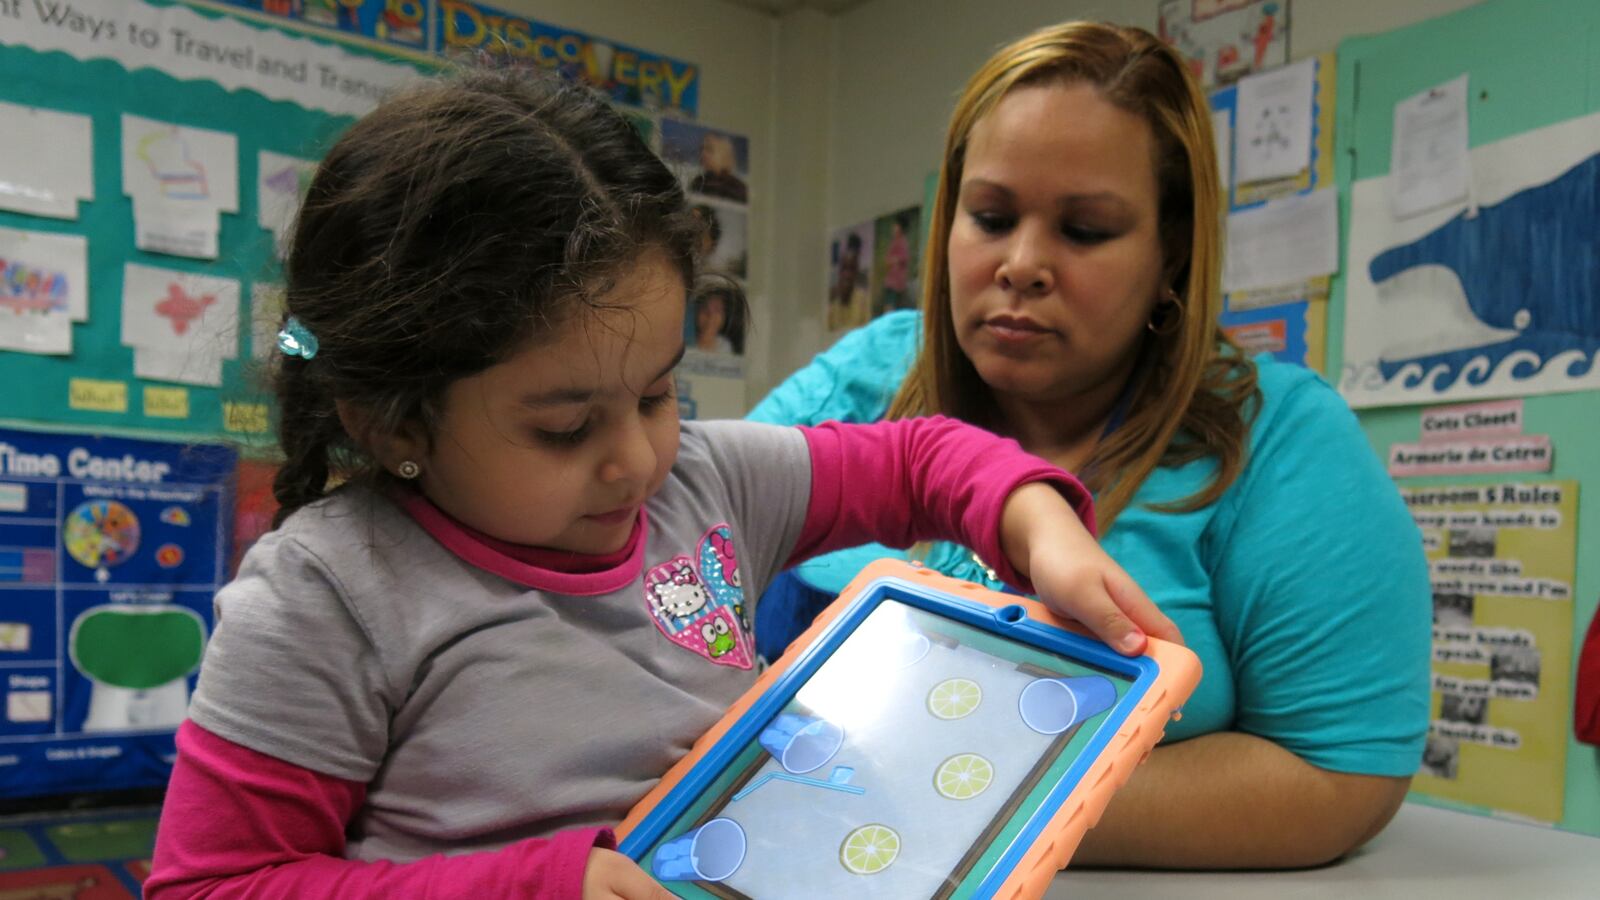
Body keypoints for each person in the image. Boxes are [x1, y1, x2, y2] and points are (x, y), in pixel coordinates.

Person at [144, 68, 1177, 898]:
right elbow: (217, 884)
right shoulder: (327, 595)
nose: (637, 459)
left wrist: (1036, 523)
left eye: (657, 392)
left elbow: (918, 457)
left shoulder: (708, 481)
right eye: (563, 427)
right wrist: (544, 885)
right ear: (391, 418)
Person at [749, 21, 1430, 869]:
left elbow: (1340, 775)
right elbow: (671, 551)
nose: (1022, 264)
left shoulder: (1284, 441)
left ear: (1170, 253)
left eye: (1087, 231)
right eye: (991, 217)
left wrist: (943, 807)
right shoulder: (863, 378)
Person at [688, 132, 747, 203]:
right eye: (701, 149)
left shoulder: (738, 189)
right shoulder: (698, 181)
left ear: (725, 155)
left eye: (709, 149)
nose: (703, 153)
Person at [692, 286, 742, 355]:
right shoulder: (687, 340)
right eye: (705, 309)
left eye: (717, 310)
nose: (711, 316)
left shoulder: (725, 345)